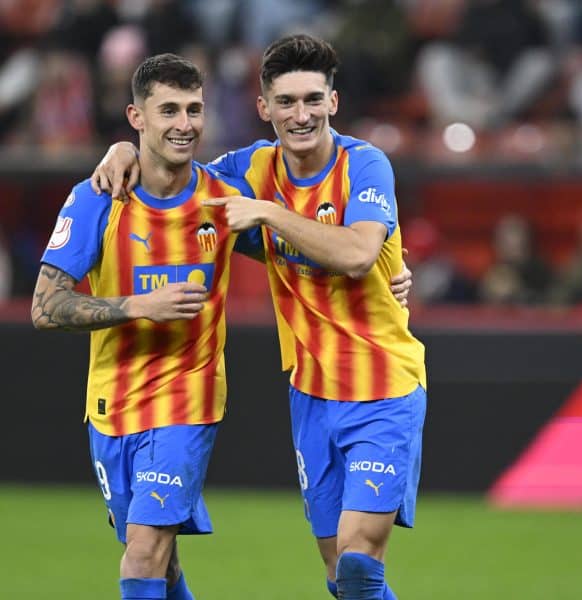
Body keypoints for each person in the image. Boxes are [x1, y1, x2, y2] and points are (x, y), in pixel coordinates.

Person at [92, 35, 426, 600]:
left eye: (314, 100)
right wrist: (125, 149)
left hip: (385, 388)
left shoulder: (365, 165)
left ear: (334, 102)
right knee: (336, 574)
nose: (303, 115)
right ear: (264, 108)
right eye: (288, 102)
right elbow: (171, 171)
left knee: (357, 562)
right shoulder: (246, 168)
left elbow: (356, 254)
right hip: (312, 394)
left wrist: (271, 212)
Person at [31, 53, 247, 600]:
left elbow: (303, 243)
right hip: (111, 408)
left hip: (187, 401)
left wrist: (391, 265)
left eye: (194, 109)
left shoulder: (224, 198)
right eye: (168, 110)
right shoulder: (97, 200)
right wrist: (135, 306)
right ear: (136, 117)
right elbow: (44, 306)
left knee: (145, 551)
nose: (185, 124)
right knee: (159, 562)